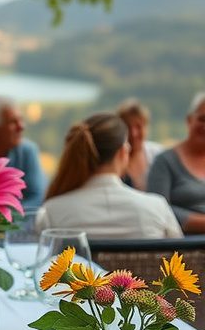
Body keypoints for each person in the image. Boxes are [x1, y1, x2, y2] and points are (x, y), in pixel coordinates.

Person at [35, 112, 181, 238]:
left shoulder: (51, 213)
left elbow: (42, 264)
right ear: (123, 152)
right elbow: (181, 263)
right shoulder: (157, 207)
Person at [147, 92, 205, 234]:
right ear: (189, 120)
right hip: (185, 248)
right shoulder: (165, 162)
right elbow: (157, 210)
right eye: (202, 119)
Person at [116, 98, 163, 191]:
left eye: (138, 126)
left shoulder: (158, 154)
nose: (133, 133)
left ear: (147, 127)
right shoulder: (112, 159)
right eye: (128, 127)